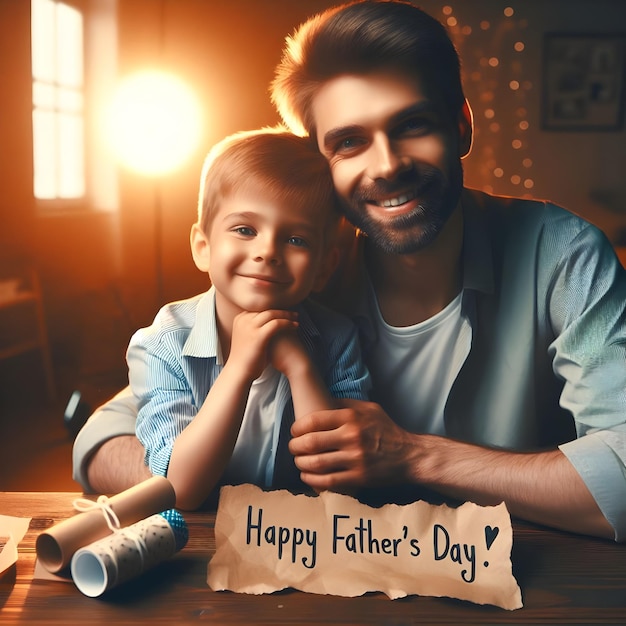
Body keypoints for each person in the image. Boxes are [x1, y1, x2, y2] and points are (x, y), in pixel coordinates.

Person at [73, 0, 625, 540]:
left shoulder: (563, 256)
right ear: (321, 164)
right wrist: (201, 476)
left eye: (413, 124)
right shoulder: (294, 279)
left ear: (461, 126)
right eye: (349, 142)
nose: (386, 165)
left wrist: (416, 457)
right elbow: (104, 442)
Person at [118, 127, 370, 510]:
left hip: (298, 541)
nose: (267, 251)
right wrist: (238, 368)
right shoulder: (162, 344)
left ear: (323, 267)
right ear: (203, 248)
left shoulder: (338, 338)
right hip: (203, 540)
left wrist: (300, 367)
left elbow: (342, 490)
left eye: (296, 239)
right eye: (244, 229)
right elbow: (180, 489)